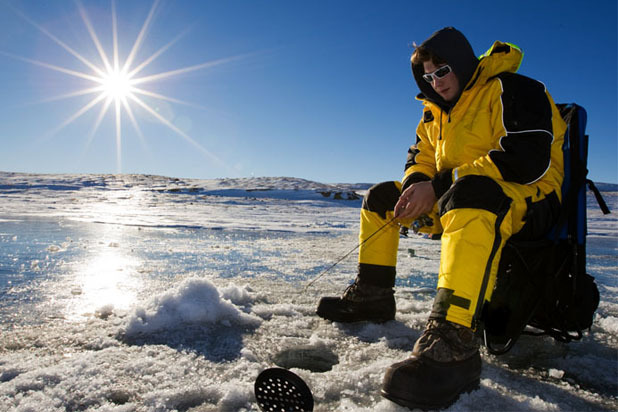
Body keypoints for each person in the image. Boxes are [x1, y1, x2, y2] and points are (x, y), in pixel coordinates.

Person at [316, 27, 567, 410]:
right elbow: (420, 158)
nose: (436, 81)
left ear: (463, 63)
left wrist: (440, 185)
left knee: (472, 192)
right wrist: (417, 185)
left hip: (528, 199)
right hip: (458, 195)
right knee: (383, 196)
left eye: (443, 70)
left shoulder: (514, 89)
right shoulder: (434, 112)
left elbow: (526, 159)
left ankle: (454, 343)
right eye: (428, 76)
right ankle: (373, 296)